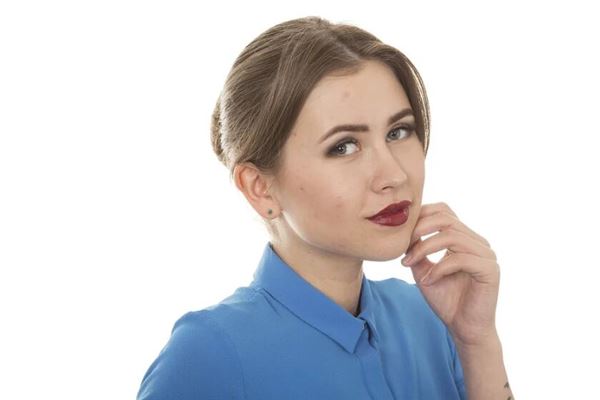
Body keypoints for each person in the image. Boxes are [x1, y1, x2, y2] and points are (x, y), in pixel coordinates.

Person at [136, 16, 514, 400]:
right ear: (260, 188)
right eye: (344, 146)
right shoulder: (208, 356)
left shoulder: (430, 316)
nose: (394, 175)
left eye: (398, 132)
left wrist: (477, 341)